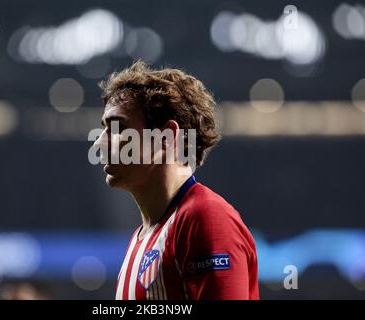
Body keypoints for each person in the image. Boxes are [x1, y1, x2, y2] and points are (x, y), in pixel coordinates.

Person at [93, 61, 259, 300]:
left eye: (117, 127)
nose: (99, 143)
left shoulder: (205, 217)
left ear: (166, 138)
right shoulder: (143, 236)